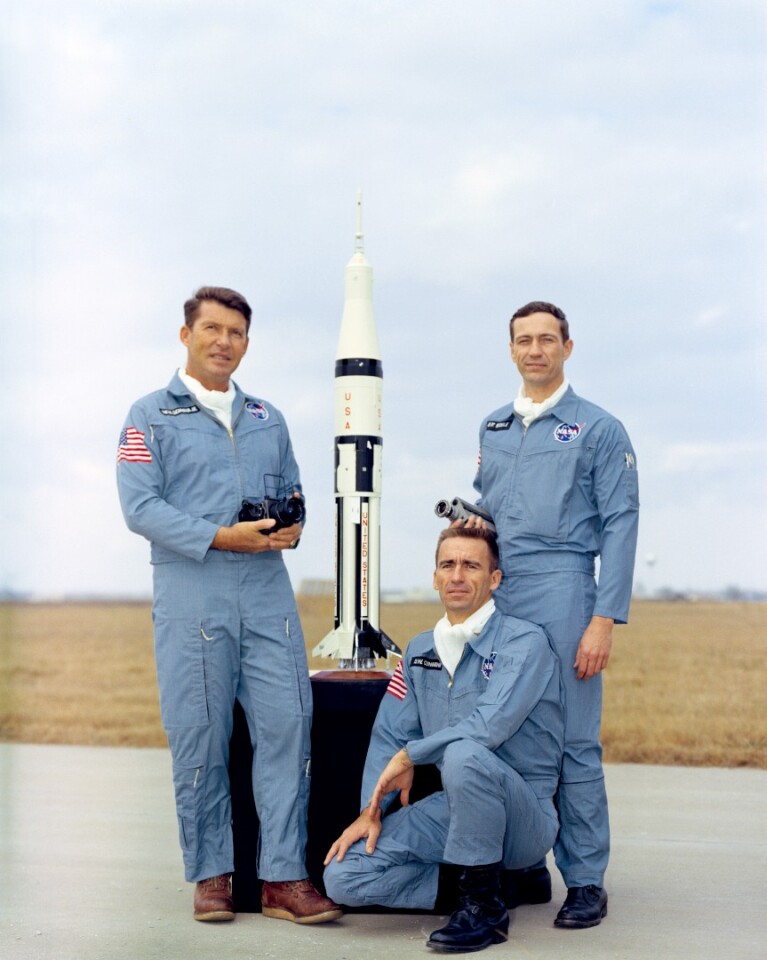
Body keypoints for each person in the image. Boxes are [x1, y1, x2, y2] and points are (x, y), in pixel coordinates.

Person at [116, 286, 341, 925]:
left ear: (247, 342)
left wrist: (291, 526)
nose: (224, 342)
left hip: (267, 594)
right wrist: (219, 536)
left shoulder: (269, 417)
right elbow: (140, 508)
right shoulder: (148, 416)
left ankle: (283, 879)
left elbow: (293, 491)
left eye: (236, 332)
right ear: (185, 335)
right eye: (211, 329)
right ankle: (212, 875)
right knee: (201, 737)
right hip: (193, 595)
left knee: (287, 730)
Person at [471, 300, 639, 929]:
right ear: (510, 349)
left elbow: (622, 523)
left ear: (568, 347)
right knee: (507, 735)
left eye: (547, 339)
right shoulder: (492, 427)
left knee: (572, 742)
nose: (535, 350)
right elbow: (491, 512)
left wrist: (604, 618)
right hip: (502, 596)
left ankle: (588, 879)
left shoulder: (598, 428)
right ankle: (525, 864)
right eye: (523, 340)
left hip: (566, 591)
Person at [323, 527, 564, 953]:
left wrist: (413, 754)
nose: (457, 576)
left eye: (471, 565)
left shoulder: (525, 643)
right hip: (453, 810)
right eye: (447, 565)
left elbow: (488, 725)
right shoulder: (418, 652)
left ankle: (485, 913)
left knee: (464, 754)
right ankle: (490, 887)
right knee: (344, 876)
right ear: (435, 577)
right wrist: (370, 811)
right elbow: (389, 736)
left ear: (494, 579)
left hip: (522, 818)